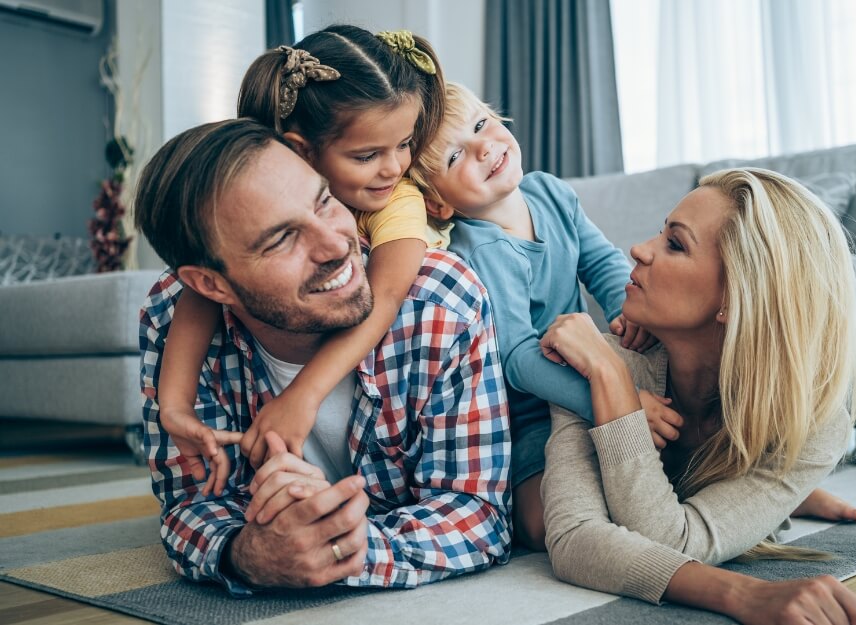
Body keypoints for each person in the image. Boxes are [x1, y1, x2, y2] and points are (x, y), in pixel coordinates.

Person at [135, 118, 511, 594]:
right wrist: (250, 552)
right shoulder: (172, 318)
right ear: (211, 285)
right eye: (281, 239)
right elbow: (188, 504)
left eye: (325, 201)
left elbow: (478, 514)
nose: (338, 245)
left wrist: (348, 548)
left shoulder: (441, 302)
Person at [538, 168, 856, 624]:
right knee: (533, 521)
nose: (637, 249)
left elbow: (668, 538)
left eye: (675, 244)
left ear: (735, 297)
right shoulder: (607, 360)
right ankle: (780, 496)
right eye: (661, 233)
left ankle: (784, 493)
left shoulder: (813, 422)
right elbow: (574, 537)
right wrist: (741, 594)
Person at [157, 26, 450, 489]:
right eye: (368, 154)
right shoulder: (255, 208)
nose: (395, 167)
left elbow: (388, 295)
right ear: (301, 152)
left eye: (404, 143)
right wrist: (174, 407)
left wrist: (303, 395)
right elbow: (205, 294)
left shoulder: (398, 200)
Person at [406, 83, 645, 550]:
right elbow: (517, 359)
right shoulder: (478, 248)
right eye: (455, 158)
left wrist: (628, 314)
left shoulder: (551, 192)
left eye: (480, 125)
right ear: (438, 203)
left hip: (594, 374)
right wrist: (611, 404)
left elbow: (603, 264)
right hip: (528, 417)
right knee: (540, 526)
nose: (483, 147)